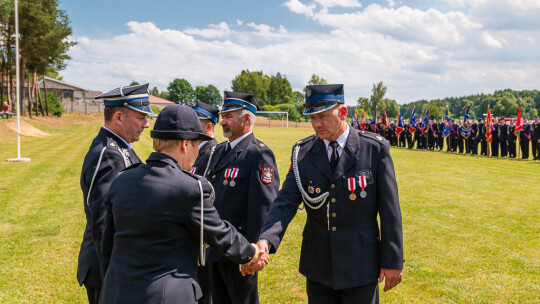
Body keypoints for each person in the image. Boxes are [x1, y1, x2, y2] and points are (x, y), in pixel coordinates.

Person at [99, 104, 265, 304]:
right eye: (196, 146)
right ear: (185, 145)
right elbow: (219, 233)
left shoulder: (122, 180)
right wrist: (252, 253)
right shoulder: (189, 188)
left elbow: (106, 243)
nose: (196, 154)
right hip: (165, 296)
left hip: (116, 292)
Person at [255, 84, 404, 304]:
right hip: (318, 266)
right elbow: (285, 201)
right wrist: (266, 239)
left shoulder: (373, 149)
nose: (316, 124)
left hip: (360, 265)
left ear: (342, 113)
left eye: (322, 117)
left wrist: (393, 260)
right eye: (312, 118)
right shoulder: (303, 152)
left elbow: (390, 210)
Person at [77, 83, 154, 304]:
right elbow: (102, 221)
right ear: (119, 117)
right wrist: (113, 275)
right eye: (141, 117)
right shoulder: (108, 154)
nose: (147, 125)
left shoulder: (120, 148)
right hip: (107, 269)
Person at [204, 91, 280, 304]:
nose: (222, 122)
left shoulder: (258, 154)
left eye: (228, 116)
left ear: (247, 119)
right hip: (215, 248)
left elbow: (263, 208)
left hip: (238, 252)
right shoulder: (219, 150)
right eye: (222, 116)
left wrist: (251, 253)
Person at [191, 100, 220, 304]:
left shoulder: (211, 150)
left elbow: (205, 191)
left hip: (201, 231)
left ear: (209, 126)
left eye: (196, 121)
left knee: (203, 291)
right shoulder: (196, 148)